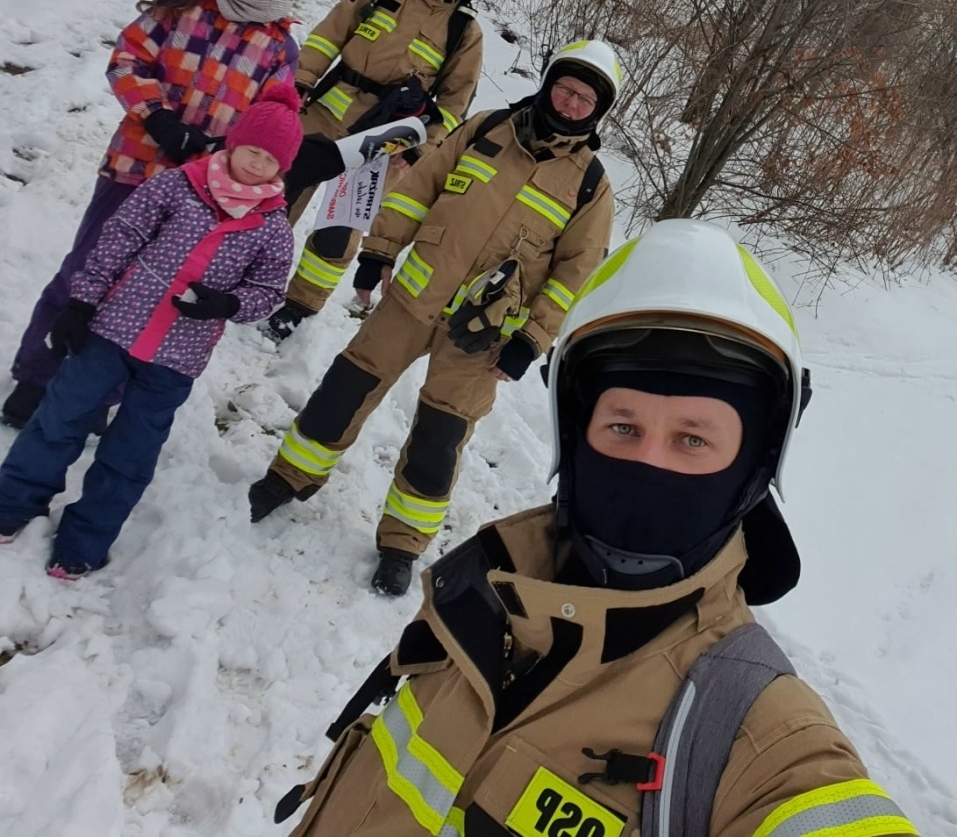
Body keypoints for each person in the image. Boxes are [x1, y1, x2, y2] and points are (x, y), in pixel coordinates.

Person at [271, 219, 921, 837]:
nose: (649, 462)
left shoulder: (755, 734)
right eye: (622, 426)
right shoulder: (489, 592)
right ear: (576, 434)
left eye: (693, 439)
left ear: (753, 466)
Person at [249, 41, 622, 597]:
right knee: (344, 389)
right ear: (549, 85)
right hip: (411, 300)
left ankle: (402, 544)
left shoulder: (590, 186)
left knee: (439, 438)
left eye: (584, 99)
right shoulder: (487, 129)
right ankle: (287, 477)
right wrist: (379, 252)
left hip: (483, 336)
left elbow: (577, 275)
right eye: (565, 89)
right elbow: (418, 189)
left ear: (597, 111)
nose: (570, 103)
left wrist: (531, 339)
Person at [1, 0, 307, 429]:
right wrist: (157, 116)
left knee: (145, 290)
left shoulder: (281, 48)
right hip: (135, 163)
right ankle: (36, 376)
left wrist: (225, 147)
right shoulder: (183, 7)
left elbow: (272, 114)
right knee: (88, 267)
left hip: (199, 189)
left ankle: (93, 397)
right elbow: (126, 59)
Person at [0, 84, 302, 577]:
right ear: (233, 142)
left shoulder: (272, 228)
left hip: (175, 360)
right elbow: (119, 238)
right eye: (252, 150)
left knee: (131, 454)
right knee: (59, 420)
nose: (257, 164)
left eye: (271, 160)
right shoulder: (180, 185)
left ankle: (84, 542)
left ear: (282, 169)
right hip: (111, 331)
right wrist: (81, 302)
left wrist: (228, 303)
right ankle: (12, 504)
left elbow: (268, 291)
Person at [264, 0, 490, 342]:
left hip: (384, 140)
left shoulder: (465, 31)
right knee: (276, 193)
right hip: (325, 112)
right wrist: (301, 80)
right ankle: (248, 271)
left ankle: (300, 304)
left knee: (339, 230)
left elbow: (454, 103)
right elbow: (331, 34)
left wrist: (421, 149)